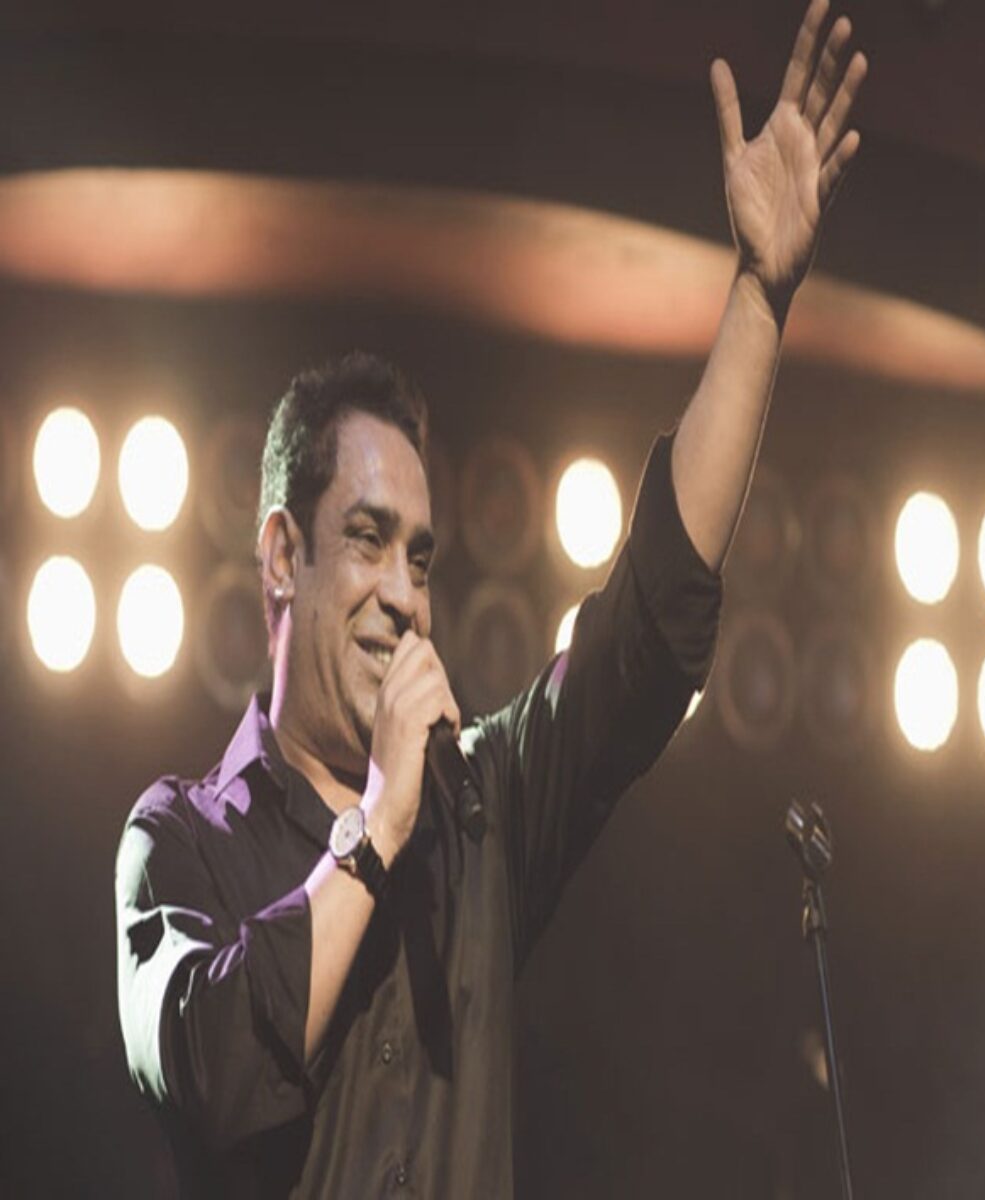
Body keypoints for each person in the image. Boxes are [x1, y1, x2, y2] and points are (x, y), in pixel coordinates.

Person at [115, 3, 867, 1195]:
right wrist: (377, 829)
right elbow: (211, 1070)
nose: (402, 596)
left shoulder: (482, 813)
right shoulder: (179, 843)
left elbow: (646, 623)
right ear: (282, 556)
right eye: (368, 542)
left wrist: (760, 300)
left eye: (421, 559)